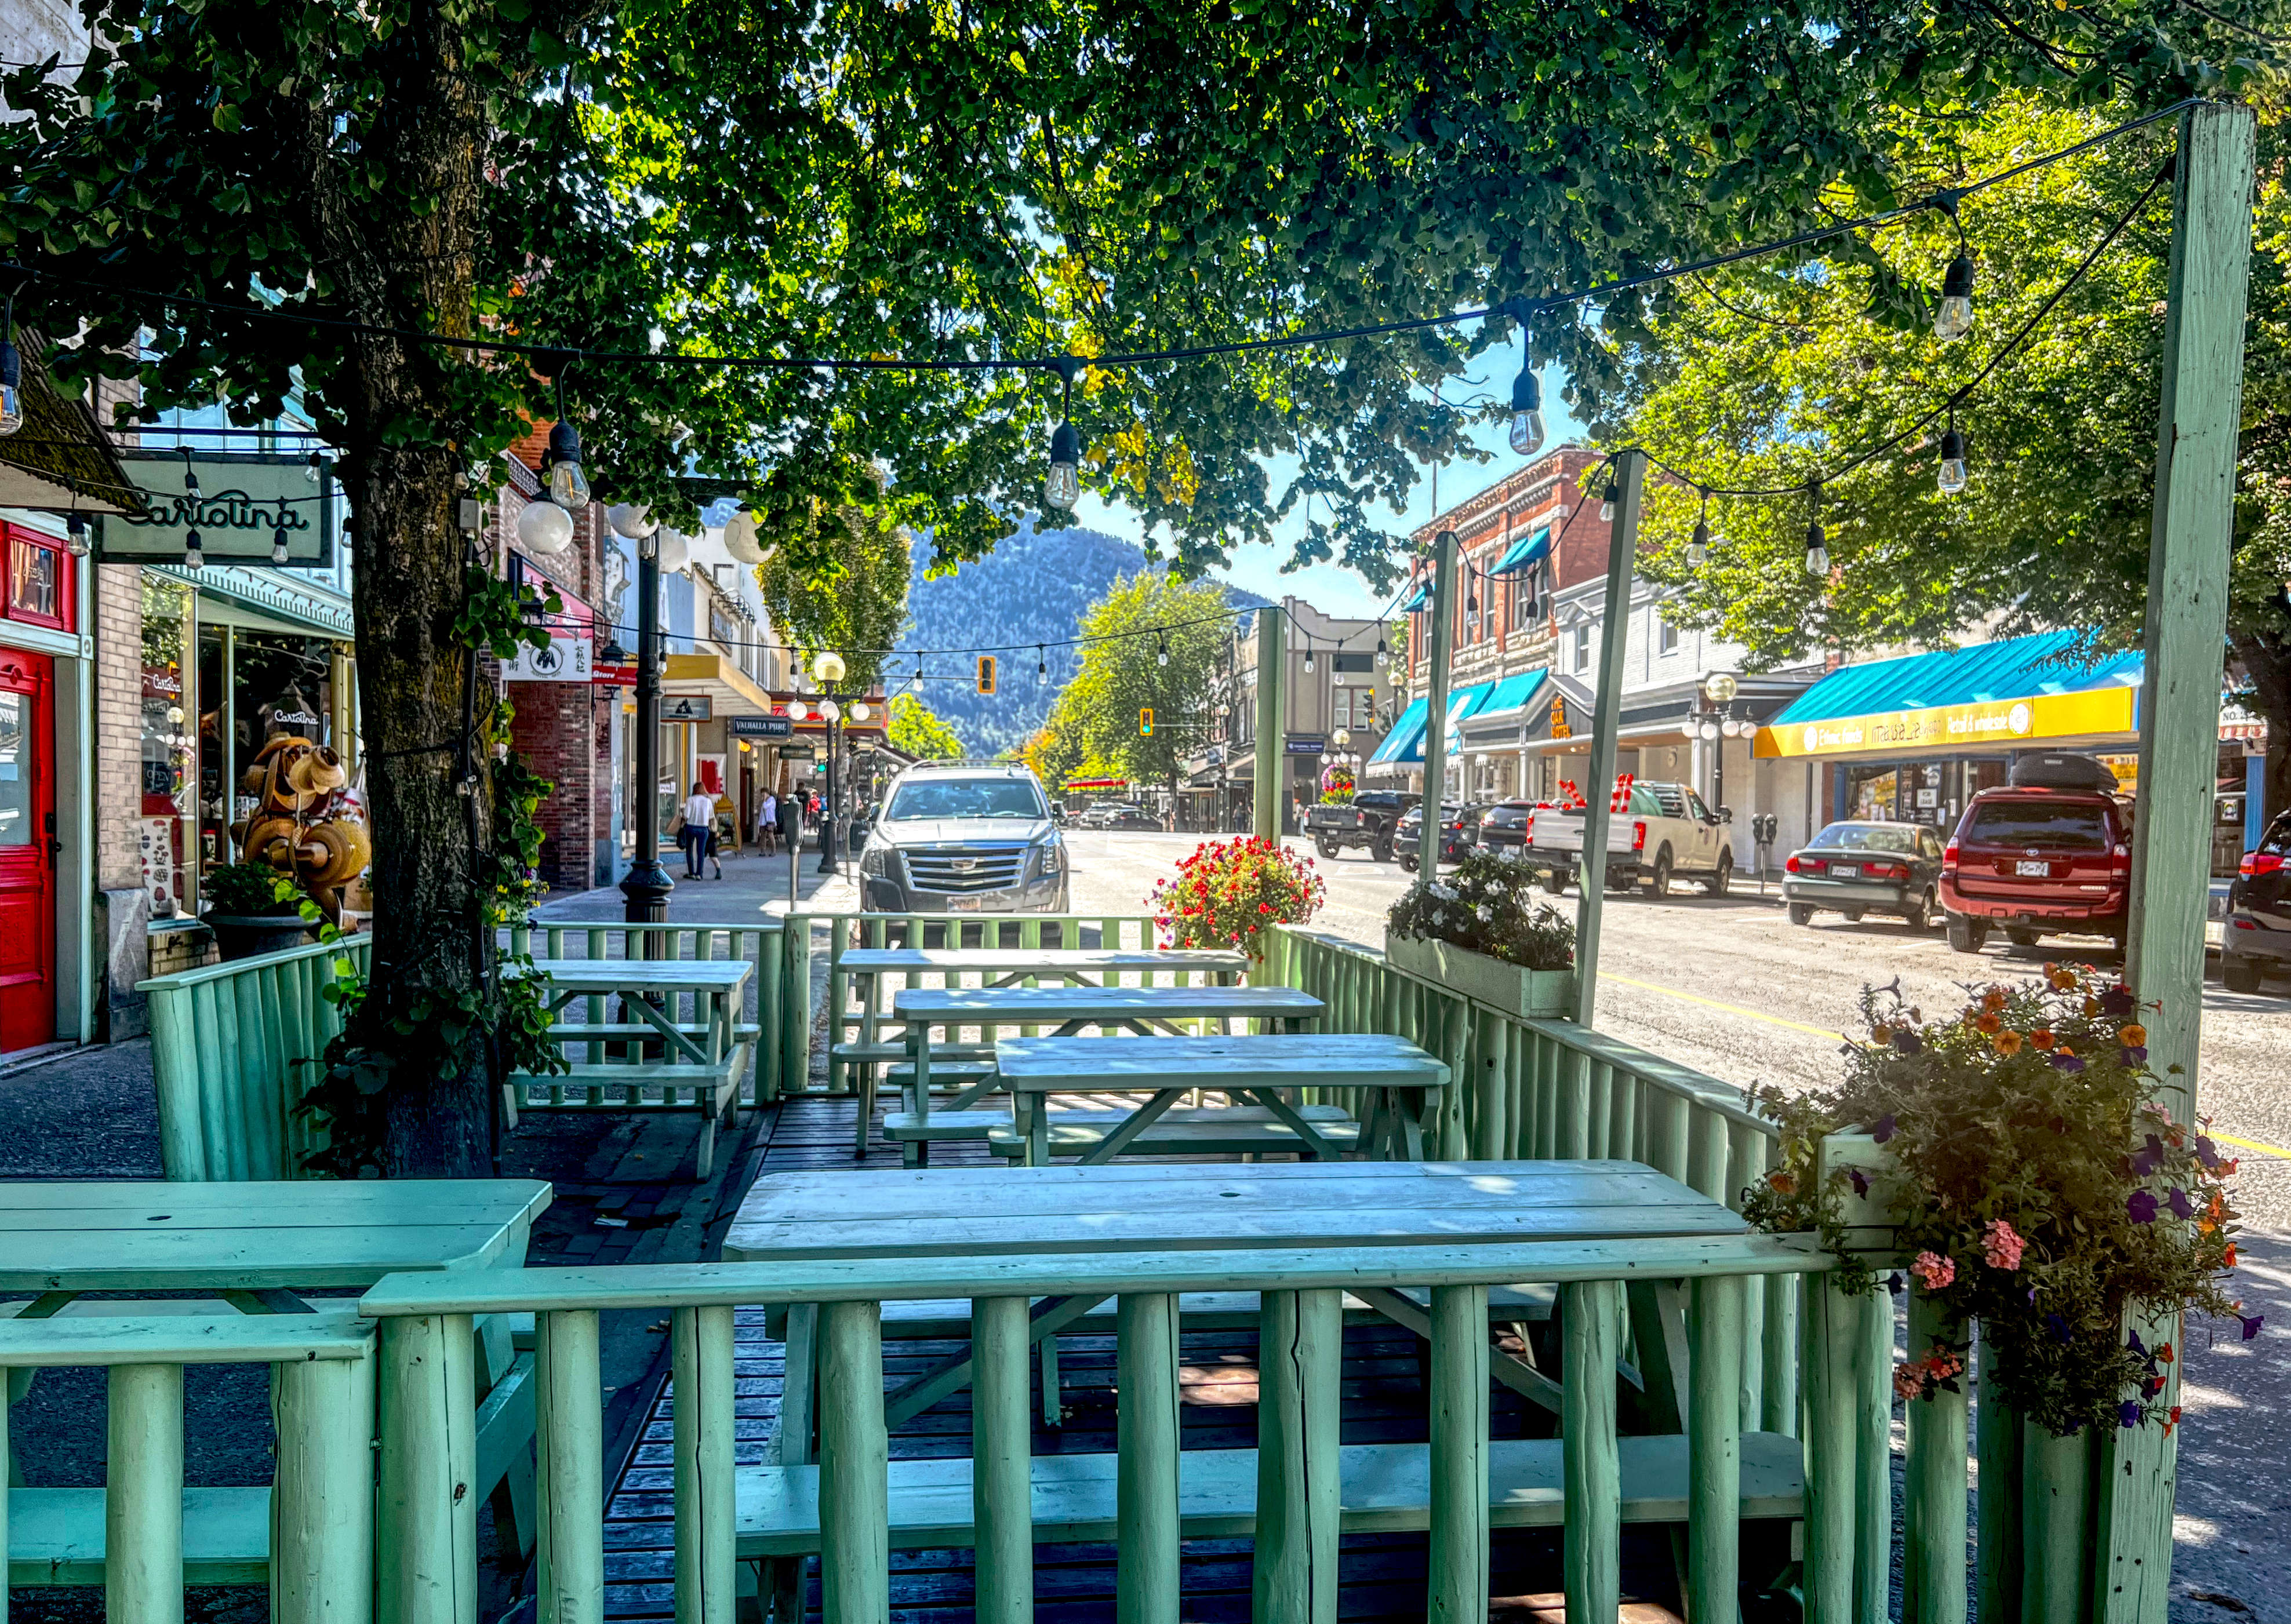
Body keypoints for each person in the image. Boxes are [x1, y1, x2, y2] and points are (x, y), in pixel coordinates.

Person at [679, 781, 714, 878]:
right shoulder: (708, 801)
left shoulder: (690, 800)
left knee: (689, 850)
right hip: (703, 828)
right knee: (701, 852)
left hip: (691, 827)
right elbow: (711, 817)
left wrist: (682, 821)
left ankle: (691, 873)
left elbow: (686, 816)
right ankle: (699, 874)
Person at [757, 789, 779, 856]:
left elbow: (765, 807)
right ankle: (763, 851)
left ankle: (773, 851)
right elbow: (760, 808)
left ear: (767, 793)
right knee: (762, 836)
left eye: (763, 794)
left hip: (770, 821)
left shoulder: (772, 800)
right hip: (763, 821)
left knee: (770, 835)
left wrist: (764, 800)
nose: (762, 795)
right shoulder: (763, 801)